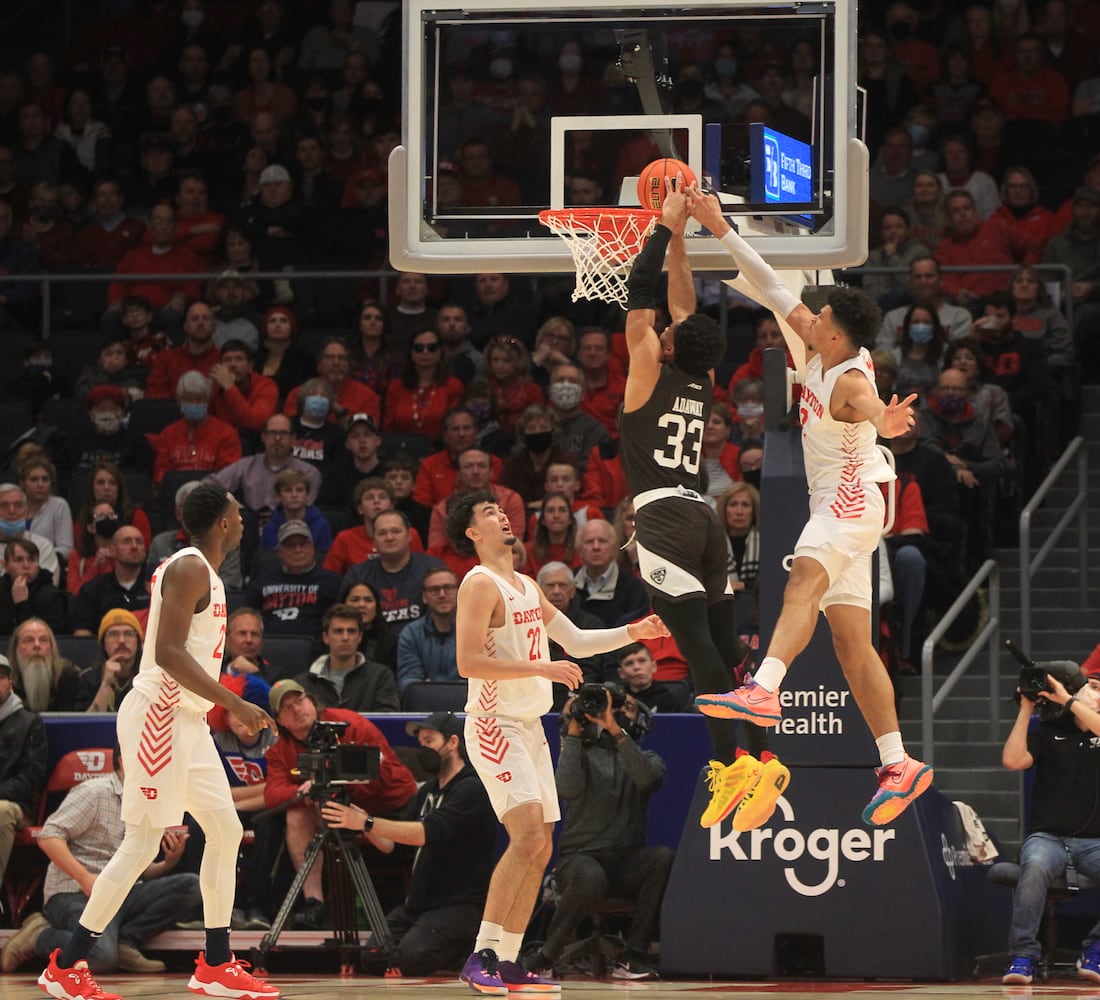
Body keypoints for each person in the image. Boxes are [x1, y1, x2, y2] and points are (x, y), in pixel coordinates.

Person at [690, 183, 933, 826]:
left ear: (835, 329)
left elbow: (876, 416)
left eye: (819, 314)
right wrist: (718, 228)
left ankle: (764, 689)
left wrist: (890, 422)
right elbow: (771, 285)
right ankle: (898, 762)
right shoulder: (813, 344)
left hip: (854, 497)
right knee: (854, 646)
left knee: (800, 572)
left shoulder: (850, 376)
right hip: (848, 501)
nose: (808, 313)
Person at [35, 482, 280, 1000]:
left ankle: (215, 963)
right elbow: (168, 652)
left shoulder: (204, 572)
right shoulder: (190, 567)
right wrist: (234, 703)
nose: (242, 520)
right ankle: (67, 964)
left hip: (186, 722)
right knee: (142, 842)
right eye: (237, 512)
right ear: (222, 523)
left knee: (226, 830)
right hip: (159, 720)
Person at [445, 488, 668, 994]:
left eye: (502, 507)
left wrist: (636, 630)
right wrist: (539, 666)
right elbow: (466, 663)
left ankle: (506, 959)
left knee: (541, 846)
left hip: (528, 724)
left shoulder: (524, 584)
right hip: (493, 722)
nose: (502, 514)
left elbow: (577, 641)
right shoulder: (479, 585)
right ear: (473, 533)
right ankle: (480, 954)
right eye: (488, 513)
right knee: (526, 836)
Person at [616, 182, 784, 831]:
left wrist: (660, 228)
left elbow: (640, 297)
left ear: (666, 346)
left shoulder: (647, 370)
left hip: (663, 519)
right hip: (706, 516)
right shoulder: (698, 377)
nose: (657, 329)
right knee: (725, 649)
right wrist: (683, 235)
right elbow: (680, 308)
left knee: (698, 654)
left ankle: (728, 762)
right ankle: (763, 756)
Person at [320, 711, 497, 976]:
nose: (423, 748)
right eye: (421, 742)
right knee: (372, 957)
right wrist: (353, 817)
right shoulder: (427, 791)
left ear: (452, 742)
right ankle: (441, 946)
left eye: (429, 740)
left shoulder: (471, 788)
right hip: (418, 905)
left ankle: (465, 949)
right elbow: (395, 846)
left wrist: (366, 822)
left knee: (409, 959)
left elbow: (427, 833)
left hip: (459, 904)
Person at [3, 748, 201, 975]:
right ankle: (39, 936)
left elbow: (140, 871)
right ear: (124, 761)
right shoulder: (94, 791)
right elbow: (49, 837)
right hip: (75, 893)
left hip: (123, 893)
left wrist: (168, 862)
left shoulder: (149, 801)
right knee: (100, 958)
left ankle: (125, 942)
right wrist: (85, 878)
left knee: (191, 885)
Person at [522, 686, 670, 981]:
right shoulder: (580, 752)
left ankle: (634, 955)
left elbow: (647, 780)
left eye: (623, 708)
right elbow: (567, 789)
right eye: (610, 708)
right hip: (579, 859)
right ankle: (546, 957)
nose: (612, 712)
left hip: (626, 860)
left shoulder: (648, 757)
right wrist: (573, 733)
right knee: (591, 876)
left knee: (662, 858)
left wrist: (615, 731)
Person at [263, 679, 416, 931]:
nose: (297, 710)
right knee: (296, 812)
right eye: (287, 708)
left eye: (299, 701)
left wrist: (337, 779)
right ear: (280, 720)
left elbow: (383, 774)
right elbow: (272, 794)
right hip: (338, 810)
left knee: (333, 807)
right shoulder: (281, 748)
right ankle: (315, 903)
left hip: (388, 804)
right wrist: (303, 789)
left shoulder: (351, 725)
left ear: (312, 701)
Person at [1001, 662, 1100, 984]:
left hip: (1095, 843)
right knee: (1036, 865)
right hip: (1049, 838)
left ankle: (1095, 949)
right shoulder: (1047, 732)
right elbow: (1013, 760)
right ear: (1079, 690)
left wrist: (1067, 700)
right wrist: (1026, 707)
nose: (1097, 695)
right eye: (1094, 688)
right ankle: (1023, 956)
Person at [0, 653, 47, 903]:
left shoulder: (29, 723)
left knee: (0, 811)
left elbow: (30, 779)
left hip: (16, 806)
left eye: (0, 677)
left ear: (10, 683)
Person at [245, 520, 342, 639]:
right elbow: (247, 619)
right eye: (290, 545)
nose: (298, 550)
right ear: (279, 551)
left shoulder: (332, 582)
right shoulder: (260, 584)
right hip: (269, 646)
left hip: (317, 648)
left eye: (303, 544)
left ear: (312, 547)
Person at [209, 412, 321, 515]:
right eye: (272, 433)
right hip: (250, 529)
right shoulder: (246, 465)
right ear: (263, 437)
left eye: (283, 433)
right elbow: (209, 487)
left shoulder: (309, 472)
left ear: (293, 439)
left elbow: (304, 512)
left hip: (290, 530)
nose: (277, 438)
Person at [295, 603, 399, 712]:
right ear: (325, 637)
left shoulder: (380, 677)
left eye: (351, 631)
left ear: (360, 637)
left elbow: (387, 723)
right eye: (338, 631)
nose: (345, 638)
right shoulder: (303, 683)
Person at [71, 525, 151, 637]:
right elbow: (82, 637)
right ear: (112, 550)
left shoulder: (156, 587)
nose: (134, 546)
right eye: (127, 541)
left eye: (139, 542)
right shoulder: (92, 590)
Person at [395, 567, 460, 695]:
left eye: (448, 588)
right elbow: (408, 681)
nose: (442, 594)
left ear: (459, 592)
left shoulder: (476, 631)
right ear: (424, 597)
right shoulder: (411, 634)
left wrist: (431, 687)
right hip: (423, 708)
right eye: (434, 590)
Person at [73, 609, 144, 713]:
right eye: (113, 634)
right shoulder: (88, 678)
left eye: (128, 634)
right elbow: (86, 726)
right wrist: (106, 684)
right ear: (103, 644)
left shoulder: (150, 677)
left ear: (138, 642)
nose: (121, 641)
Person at [9, 618, 80, 713]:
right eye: (29, 640)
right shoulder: (5, 677)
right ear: (15, 649)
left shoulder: (67, 675)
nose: (37, 645)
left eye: (43, 640)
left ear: (52, 647)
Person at [0, 538, 67, 635]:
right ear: (6, 566)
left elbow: (43, 638)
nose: (26, 565)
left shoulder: (52, 596)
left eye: (32, 560)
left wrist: (21, 604)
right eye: (18, 560)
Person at [616, 642, 690, 714]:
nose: (637, 667)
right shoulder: (616, 699)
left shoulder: (668, 699)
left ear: (653, 666)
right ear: (621, 673)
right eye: (629, 663)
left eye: (642, 661)